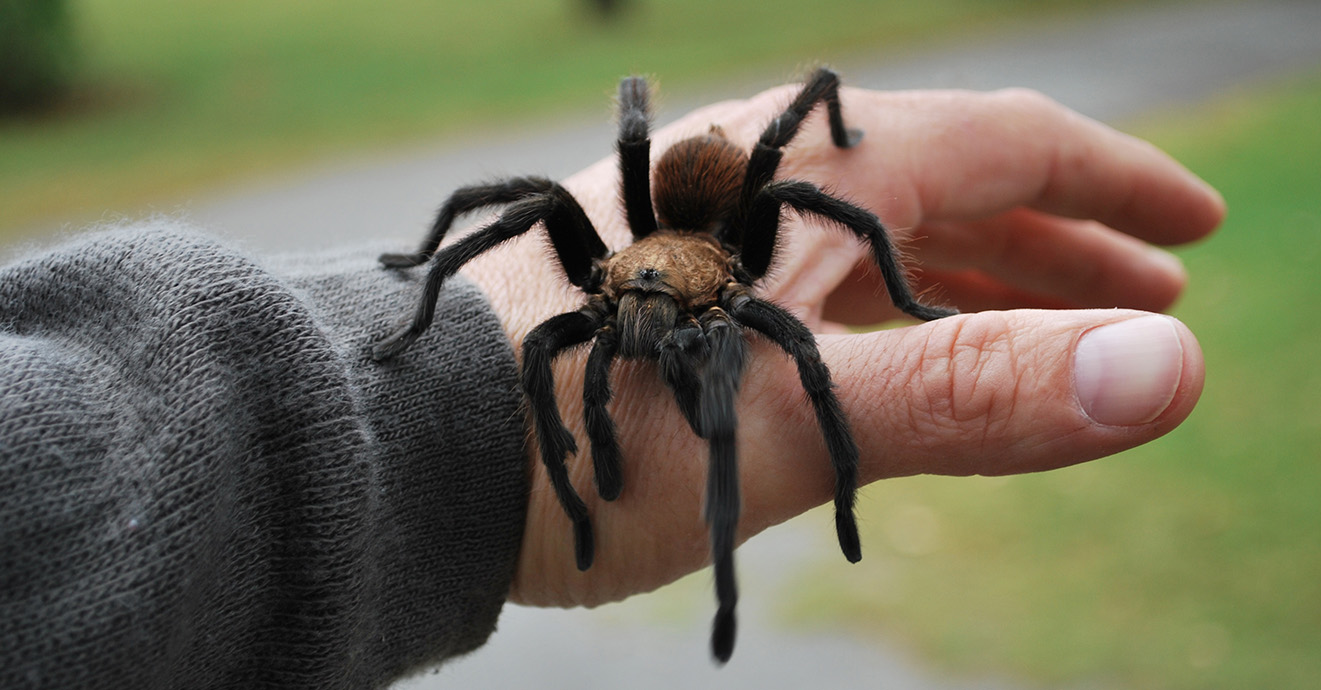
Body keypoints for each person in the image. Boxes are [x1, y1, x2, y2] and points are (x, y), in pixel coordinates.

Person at [0, 83, 1222, 688]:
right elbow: (513, 245)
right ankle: (579, 503)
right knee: (532, 290)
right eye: (613, 298)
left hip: (703, 254)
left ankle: (756, 577)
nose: (627, 324)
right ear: (608, 269)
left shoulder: (738, 261)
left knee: (783, 351)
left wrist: (905, 310)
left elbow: (805, 222)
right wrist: (425, 301)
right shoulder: (601, 287)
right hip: (654, 256)